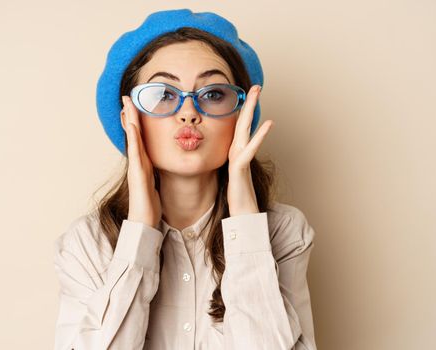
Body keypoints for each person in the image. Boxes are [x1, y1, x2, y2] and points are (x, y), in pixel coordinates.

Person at [53, 8, 317, 350]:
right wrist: (140, 236)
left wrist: (246, 225)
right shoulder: (87, 244)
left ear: (242, 116)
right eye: (162, 94)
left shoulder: (285, 233)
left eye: (213, 94)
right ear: (128, 117)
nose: (188, 112)